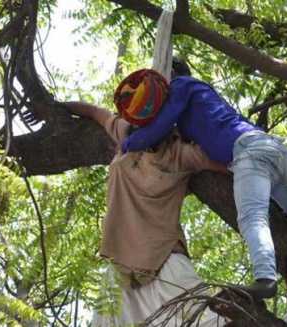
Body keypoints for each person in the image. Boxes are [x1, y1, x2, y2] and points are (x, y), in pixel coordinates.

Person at [117, 65, 287, 309]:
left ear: (172, 77)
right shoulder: (197, 105)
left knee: (252, 217)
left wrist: (127, 142)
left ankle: (265, 279)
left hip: (249, 153)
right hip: (276, 153)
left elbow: (158, 126)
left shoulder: (183, 85)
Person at [64, 62, 227, 326]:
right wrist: (58, 107)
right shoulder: (126, 136)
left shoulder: (179, 154)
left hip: (164, 257)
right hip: (120, 264)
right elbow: (95, 112)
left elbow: (223, 164)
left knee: (203, 321)